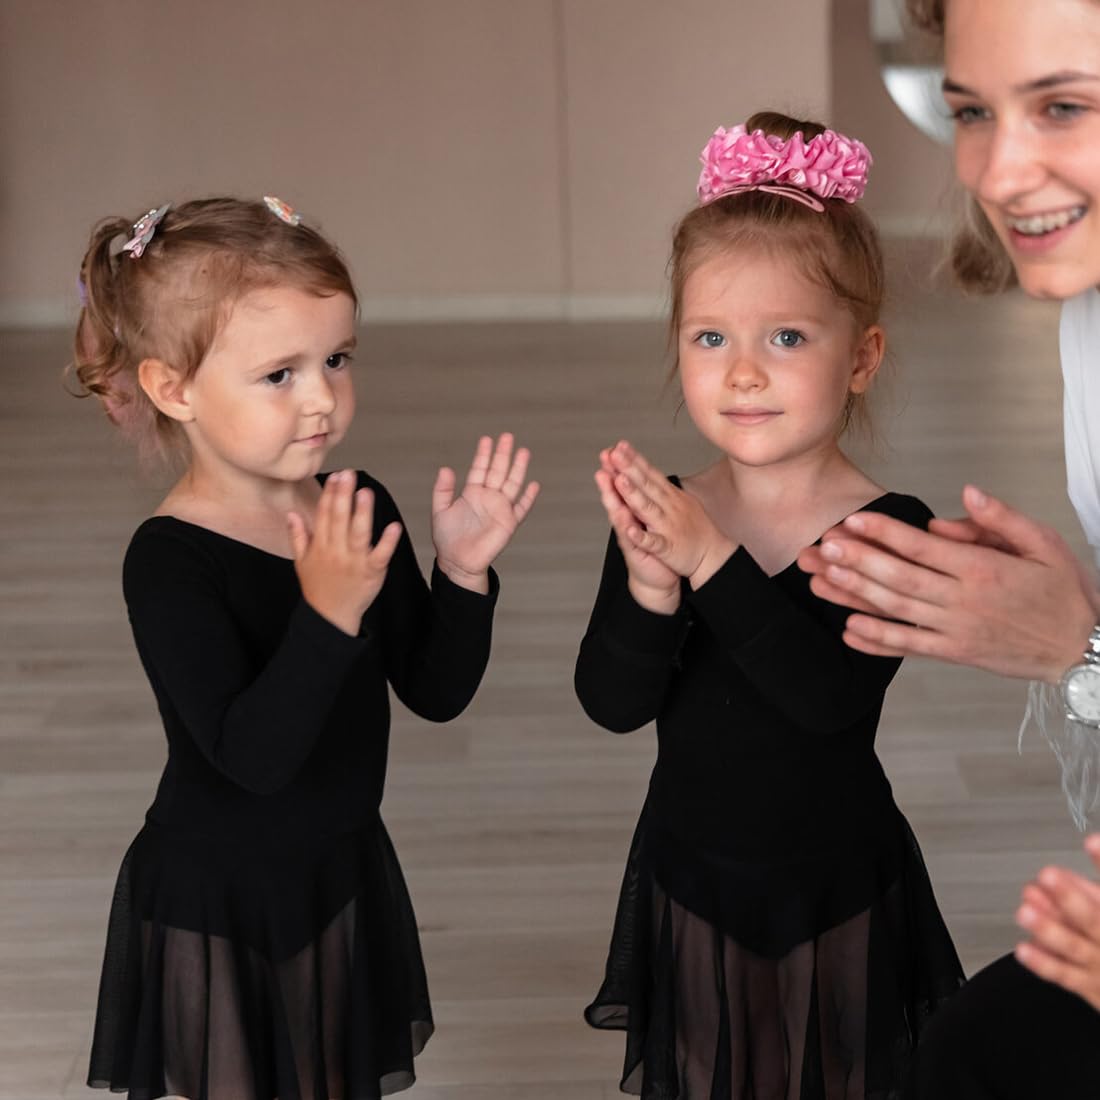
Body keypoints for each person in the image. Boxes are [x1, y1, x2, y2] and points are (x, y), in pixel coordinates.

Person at [75, 196, 539, 1099]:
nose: (323, 396)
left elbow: (436, 689)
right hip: (217, 893)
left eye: (336, 359)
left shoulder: (355, 505)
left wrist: (462, 572)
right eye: (279, 374)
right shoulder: (169, 561)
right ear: (174, 389)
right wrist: (324, 616)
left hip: (340, 869)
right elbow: (252, 757)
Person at [574, 112, 964, 1099]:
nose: (742, 370)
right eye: (710, 337)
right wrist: (650, 587)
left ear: (861, 356)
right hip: (691, 871)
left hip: (834, 880)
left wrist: (708, 560)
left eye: (785, 336)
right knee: (709, 1072)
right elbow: (612, 702)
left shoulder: (889, 528)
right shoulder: (670, 509)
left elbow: (826, 697)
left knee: (836, 1072)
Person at [795, 1, 1100, 1094]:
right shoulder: (1087, 317)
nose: (999, 172)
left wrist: (1080, 651)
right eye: (971, 111)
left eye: (1063, 107)